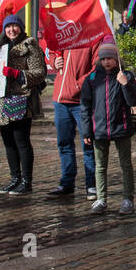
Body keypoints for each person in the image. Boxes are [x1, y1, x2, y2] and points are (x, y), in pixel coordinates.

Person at [79, 42, 136, 215]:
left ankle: (128, 199)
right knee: (100, 166)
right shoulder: (91, 78)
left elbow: (132, 101)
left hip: (121, 126)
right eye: (103, 58)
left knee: (125, 164)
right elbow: (85, 106)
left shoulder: (125, 75)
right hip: (99, 129)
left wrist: (125, 84)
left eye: (110, 58)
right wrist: (86, 130)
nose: (106, 62)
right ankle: (101, 199)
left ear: (116, 59)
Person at [0, 14, 46, 196]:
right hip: (2, 99)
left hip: (21, 99)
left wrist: (17, 73)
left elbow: (39, 72)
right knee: (8, 142)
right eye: (8, 27)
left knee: (21, 141)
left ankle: (26, 181)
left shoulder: (30, 46)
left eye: (15, 26)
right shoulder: (1, 47)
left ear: (21, 28)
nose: (11, 30)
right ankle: (14, 179)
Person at [51, 32, 100, 198]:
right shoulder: (63, 34)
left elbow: (97, 67)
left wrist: (80, 84)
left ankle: (92, 184)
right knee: (64, 144)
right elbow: (52, 49)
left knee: (88, 144)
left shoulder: (92, 37)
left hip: (81, 102)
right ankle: (66, 182)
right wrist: (53, 60)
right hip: (60, 99)